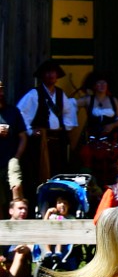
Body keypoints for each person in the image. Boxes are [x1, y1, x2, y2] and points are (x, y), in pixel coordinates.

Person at [17, 59, 79, 201]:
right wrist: (31, 131)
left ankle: (57, 204)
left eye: (54, 72)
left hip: (57, 143)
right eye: (48, 72)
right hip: (38, 145)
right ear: (42, 76)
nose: (51, 75)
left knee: (58, 174)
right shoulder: (34, 94)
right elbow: (21, 114)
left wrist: (65, 128)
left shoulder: (60, 94)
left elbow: (69, 113)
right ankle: (37, 205)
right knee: (37, 175)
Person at [78, 71, 118, 184]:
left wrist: (112, 125)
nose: (102, 85)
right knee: (91, 171)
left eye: (104, 83)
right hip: (93, 143)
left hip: (110, 144)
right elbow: (70, 104)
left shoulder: (114, 101)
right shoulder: (88, 100)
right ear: (94, 86)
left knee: (111, 171)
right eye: (99, 83)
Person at [0, 88, 28, 212]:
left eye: (1, 90)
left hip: (11, 158)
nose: (0, 93)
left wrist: (17, 157)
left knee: (16, 186)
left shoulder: (13, 112)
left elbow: (23, 137)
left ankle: (17, 218)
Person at [0, 198, 32, 277]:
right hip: (3, 264)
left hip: (21, 267)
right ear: (11, 211)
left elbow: (31, 247)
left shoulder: (30, 228)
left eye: (25, 209)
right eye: (20, 208)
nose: (24, 211)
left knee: (20, 252)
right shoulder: (2, 227)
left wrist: (26, 248)